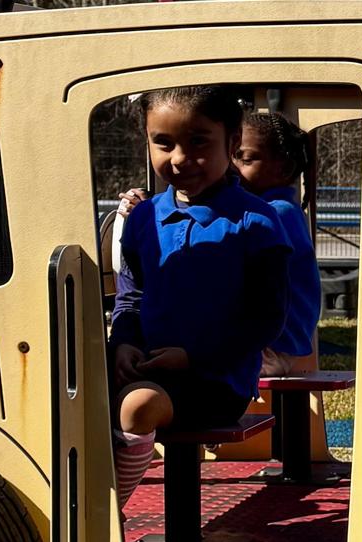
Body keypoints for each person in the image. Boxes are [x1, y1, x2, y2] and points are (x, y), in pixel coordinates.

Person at [109, 85, 289, 509]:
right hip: (149, 365)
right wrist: (125, 344)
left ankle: (105, 518)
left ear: (231, 142)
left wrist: (192, 357)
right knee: (67, 387)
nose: (179, 158)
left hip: (216, 381)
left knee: (138, 406)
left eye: (198, 143)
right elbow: (131, 298)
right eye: (163, 142)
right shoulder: (143, 219)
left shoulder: (257, 223)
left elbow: (266, 319)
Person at [235, 110, 322, 376]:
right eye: (229, 155)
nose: (232, 166)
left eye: (245, 158)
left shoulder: (275, 213)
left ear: (283, 168)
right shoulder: (271, 209)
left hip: (273, 347)